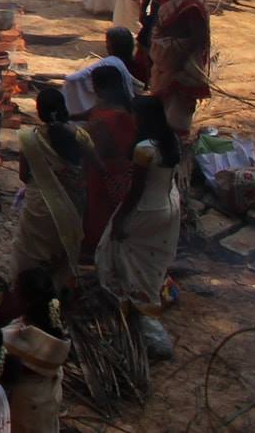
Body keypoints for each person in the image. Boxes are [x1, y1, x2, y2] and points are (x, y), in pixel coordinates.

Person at [95, 96, 184, 359]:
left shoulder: (145, 149)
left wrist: (121, 218)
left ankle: (133, 307)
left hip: (146, 208)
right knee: (150, 260)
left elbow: (136, 191)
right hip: (170, 204)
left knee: (115, 249)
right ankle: (148, 301)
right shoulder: (171, 141)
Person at [12, 87, 91, 287]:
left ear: (39, 112)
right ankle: (56, 294)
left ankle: (26, 292)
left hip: (39, 204)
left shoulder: (29, 138)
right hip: (72, 203)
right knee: (61, 253)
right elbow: (95, 167)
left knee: (31, 254)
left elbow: (23, 176)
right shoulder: (80, 135)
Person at [149, 0, 210, 172]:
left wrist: (177, 56)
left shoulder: (192, 4)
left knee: (177, 112)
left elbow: (197, 36)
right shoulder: (181, 0)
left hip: (182, 66)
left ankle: (176, 157)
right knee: (165, 107)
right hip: (169, 63)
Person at [1, 268, 70, 433]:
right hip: (48, 395)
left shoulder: (16, 339)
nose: (11, 293)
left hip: (26, 401)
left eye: (15, 290)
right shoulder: (57, 329)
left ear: (26, 301)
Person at [80, 63, 138, 257]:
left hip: (106, 174)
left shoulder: (107, 120)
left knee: (100, 215)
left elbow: (94, 150)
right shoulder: (118, 105)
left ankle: (98, 253)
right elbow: (89, 113)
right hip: (113, 170)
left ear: (99, 86)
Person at [59, 27, 138, 115]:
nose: (106, 45)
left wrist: (66, 78)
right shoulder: (129, 62)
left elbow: (74, 78)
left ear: (111, 45)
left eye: (107, 42)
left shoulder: (111, 61)